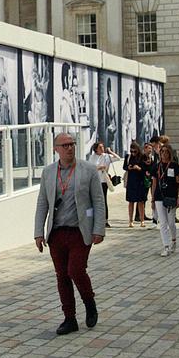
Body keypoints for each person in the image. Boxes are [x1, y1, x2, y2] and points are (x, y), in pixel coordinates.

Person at [33, 132, 106, 335]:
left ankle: (89, 303)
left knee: (75, 270)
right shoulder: (48, 172)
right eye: (64, 145)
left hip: (80, 231)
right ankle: (69, 318)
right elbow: (42, 203)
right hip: (57, 233)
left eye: (72, 144)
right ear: (56, 149)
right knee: (62, 276)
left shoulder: (88, 170)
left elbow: (98, 202)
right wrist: (38, 232)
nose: (69, 148)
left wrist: (99, 229)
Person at [150, 140, 179, 255]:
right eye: (162, 151)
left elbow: (178, 182)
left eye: (166, 152)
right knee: (163, 223)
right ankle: (166, 246)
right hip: (159, 196)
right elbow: (153, 183)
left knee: (171, 222)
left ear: (169, 153)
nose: (164, 154)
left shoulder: (174, 165)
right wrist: (152, 199)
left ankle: (173, 240)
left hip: (172, 196)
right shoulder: (156, 166)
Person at [89, 141, 120, 223]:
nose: (102, 148)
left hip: (104, 181)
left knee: (103, 200)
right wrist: (99, 167)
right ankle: (95, 219)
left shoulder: (106, 156)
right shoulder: (92, 157)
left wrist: (110, 152)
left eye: (102, 147)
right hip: (95, 181)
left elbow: (118, 158)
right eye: (100, 147)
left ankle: (105, 220)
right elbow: (90, 169)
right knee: (95, 200)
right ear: (96, 149)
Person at [124, 141, 149, 227]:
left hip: (140, 181)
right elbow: (124, 167)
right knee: (131, 202)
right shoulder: (128, 157)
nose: (133, 153)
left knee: (141, 202)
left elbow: (146, 169)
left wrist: (139, 168)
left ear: (138, 150)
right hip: (131, 182)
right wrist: (129, 167)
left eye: (135, 151)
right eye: (131, 151)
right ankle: (130, 221)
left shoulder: (142, 157)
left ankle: (142, 220)